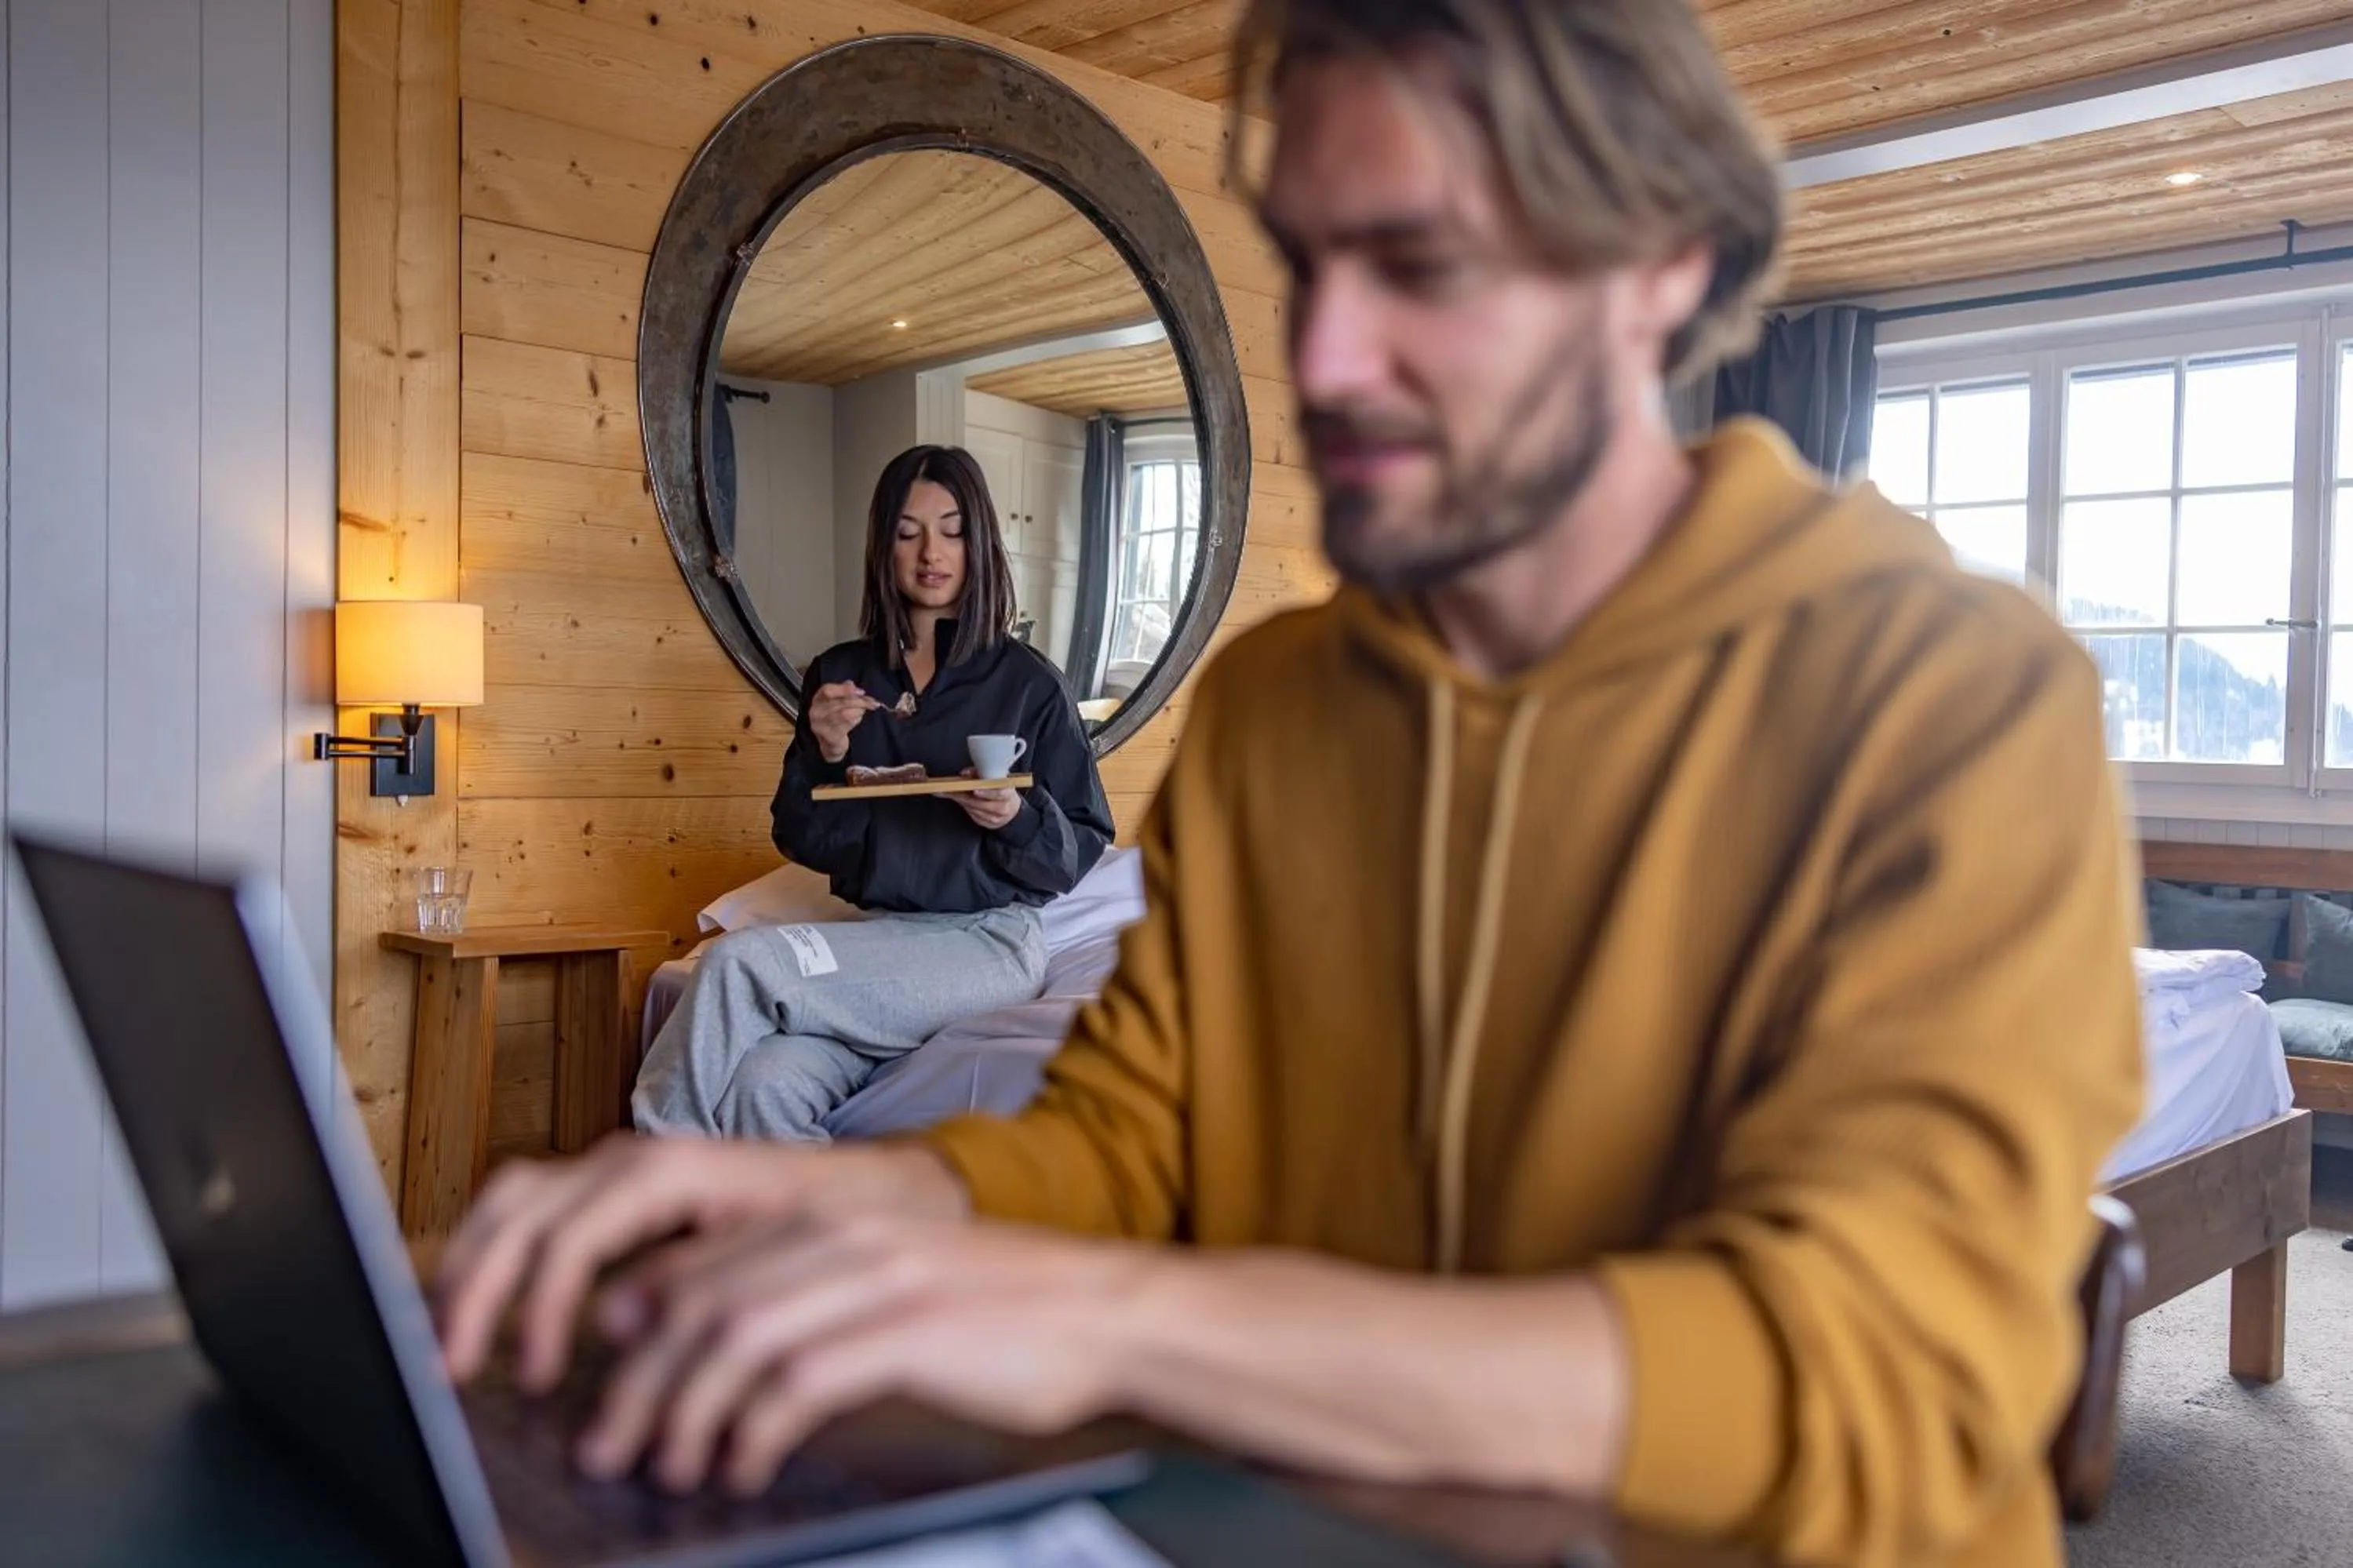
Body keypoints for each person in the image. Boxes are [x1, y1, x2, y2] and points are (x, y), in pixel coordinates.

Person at [439, 5, 2143, 1566]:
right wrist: (816, 1203)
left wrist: (1112, 1323)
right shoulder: (1280, 711)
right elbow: (1119, 1141)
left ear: (1654, 266)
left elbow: (1878, 1367)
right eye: (1309, 264)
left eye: (1413, 261)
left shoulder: (1946, 694)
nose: (1320, 360)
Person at [630, 444, 1113, 1141]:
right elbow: (800, 838)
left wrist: (1012, 815)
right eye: (907, 531)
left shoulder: (1028, 683)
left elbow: (1077, 849)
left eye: (951, 529)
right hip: (876, 945)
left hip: (986, 944)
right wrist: (826, 752)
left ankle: (648, 1172)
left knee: (741, 961)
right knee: (763, 1089)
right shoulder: (840, 677)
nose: (931, 553)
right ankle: (814, 1252)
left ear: (979, 542)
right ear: (882, 545)